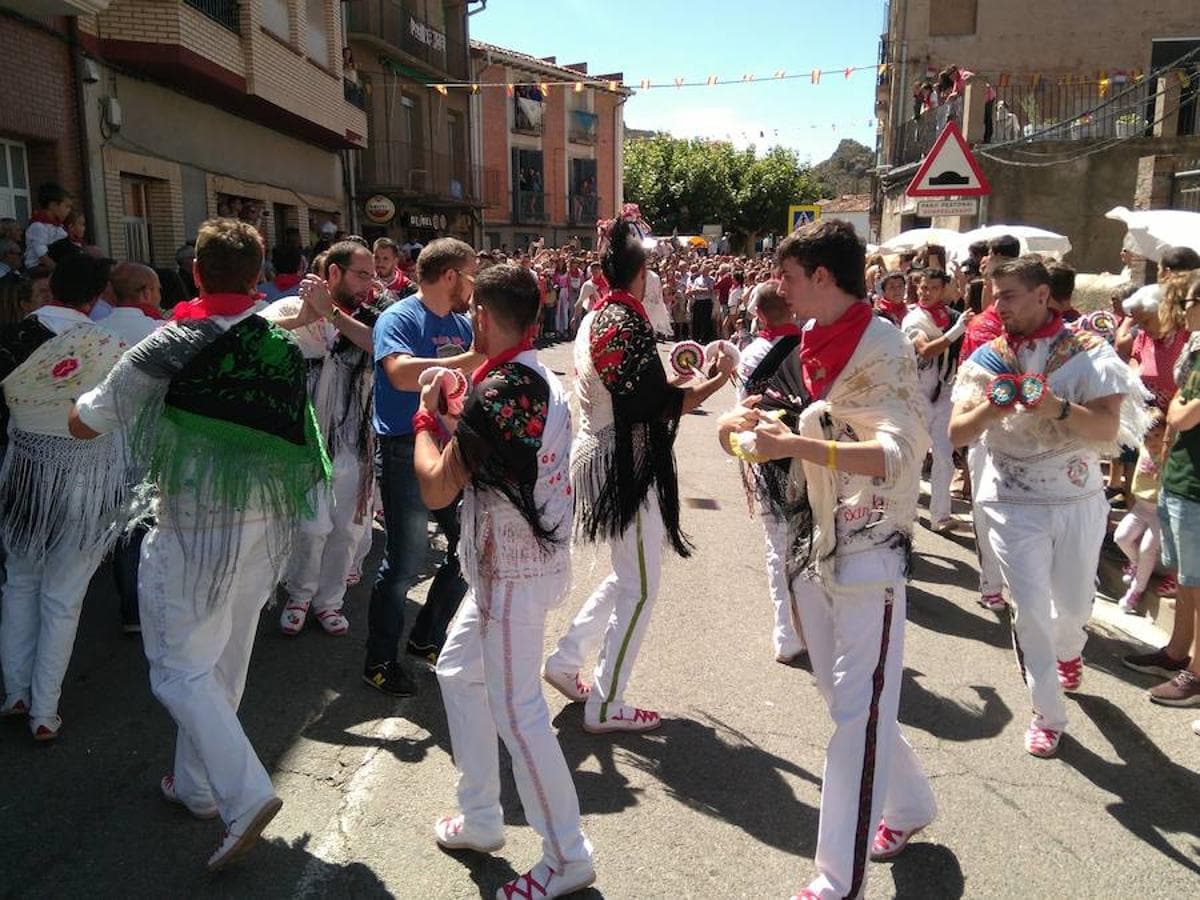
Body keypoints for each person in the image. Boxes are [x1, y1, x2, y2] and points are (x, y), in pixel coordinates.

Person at [68, 218, 329, 870]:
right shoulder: (275, 345)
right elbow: (301, 427)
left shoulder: (170, 342)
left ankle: (244, 793)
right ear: (256, 272)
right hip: (264, 529)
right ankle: (198, 787)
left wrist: (67, 399)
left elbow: (89, 420)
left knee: (180, 671)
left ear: (195, 273)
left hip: (193, 531)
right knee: (221, 665)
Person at [718, 219, 936, 899]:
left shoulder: (882, 346)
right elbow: (772, 418)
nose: (774, 284)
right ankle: (911, 804)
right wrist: (739, 429)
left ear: (821, 277)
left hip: (873, 549)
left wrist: (798, 447)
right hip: (809, 542)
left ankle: (836, 880)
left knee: (854, 717)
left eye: (786, 274)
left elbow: (898, 456)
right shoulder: (806, 340)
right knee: (845, 699)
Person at [416, 264, 595, 900]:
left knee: (520, 714)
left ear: (484, 319)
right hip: (508, 566)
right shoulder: (526, 377)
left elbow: (437, 484)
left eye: (472, 313)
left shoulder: (503, 391)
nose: (470, 320)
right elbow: (491, 449)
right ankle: (484, 816)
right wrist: (453, 415)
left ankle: (567, 854)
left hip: (514, 572)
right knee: (458, 671)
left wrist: (422, 422)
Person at [950, 255, 1150, 758]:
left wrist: (1054, 408)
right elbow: (956, 432)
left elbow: (1108, 431)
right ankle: (1047, 712)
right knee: (1031, 609)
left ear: (1043, 295)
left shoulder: (1089, 353)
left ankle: (1069, 651)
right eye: (994, 296)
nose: (998, 306)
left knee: (1074, 605)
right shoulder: (988, 357)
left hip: (1076, 496)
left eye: (1009, 295)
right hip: (1011, 499)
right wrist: (992, 407)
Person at [544, 220, 733, 733]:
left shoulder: (598, 317)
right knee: (641, 586)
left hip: (604, 457)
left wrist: (690, 377)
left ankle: (565, 661)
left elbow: (642, 391)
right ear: (642, 272)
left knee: (628, 575)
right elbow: (651, 404)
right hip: (621, 465)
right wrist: (713, 381)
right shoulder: (622, 323)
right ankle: (606, 702)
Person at [0, 254, 130, 740]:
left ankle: (15, 692)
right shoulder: (109, 346)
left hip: (24, 475)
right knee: (63, 596)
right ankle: (44, 713)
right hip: (86, 477)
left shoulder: (11, 336)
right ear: (99, 296)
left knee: (19, 583)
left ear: (52, 285)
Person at [367, 238, 481, 695]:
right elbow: (399, 372)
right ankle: (378, 661)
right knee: (404, 564)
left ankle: (426, 637)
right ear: (451, 275)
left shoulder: (460, 322)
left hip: (450, 449)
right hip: (402, 449)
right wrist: (469, 358)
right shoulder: (399, 316)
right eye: (471, 274)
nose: (475, 284)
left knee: (467, 549)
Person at [264, 242, 382, 637]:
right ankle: (300, 594)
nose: (370, 283)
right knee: (312, 526)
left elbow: (379, 345)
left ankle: (329, 601)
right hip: (305, 443)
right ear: (333, 273)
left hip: (356, 442)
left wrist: (332, 313)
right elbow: (246, 336)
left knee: (347, 529)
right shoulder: (287, 308)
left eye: (371, 275)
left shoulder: (371, 317)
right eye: (361, 275)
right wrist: (301, 318)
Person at [733, 279, 806, 662]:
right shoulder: (813, 346)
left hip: (768, 460)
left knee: (777, 546)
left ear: (758, 314)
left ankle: (785, 631)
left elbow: (740, 415)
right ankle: (814, 623)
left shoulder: (749, 356)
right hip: (812, 456)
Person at [1140, 272, 1200, 710]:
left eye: (1191, 301)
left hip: (1196, 485)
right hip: (1180, 476)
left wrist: (1178, 406)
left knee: (1199, 587)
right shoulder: (1195, 353)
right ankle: (1176, 653)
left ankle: (1195, 674)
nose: (1183, 310)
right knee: (1185, 582)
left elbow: (1183, 413)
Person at [902, 268, 972, 532]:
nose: (926, 292)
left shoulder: (948, 315)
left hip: (944, 394)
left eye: (932, 287)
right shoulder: (914, 319)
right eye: (922, 287)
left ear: (943, 289)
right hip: (917, 395)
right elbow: (926, 350)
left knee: (944, 456)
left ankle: (940, 516)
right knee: (915, 455)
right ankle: (905, 513)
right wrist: (957, 331)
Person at [104, 262, 163, 345]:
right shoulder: (161, 329)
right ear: (146, 293)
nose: (159, 296)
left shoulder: (95, 327)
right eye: (158, 289)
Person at [24, 183, 71, 270]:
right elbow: (42, 255)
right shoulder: (38, 226)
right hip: (38, 268)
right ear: (53, 205)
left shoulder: (59, 227)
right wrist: (59, 271)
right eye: (66, 206)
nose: (69, 210)